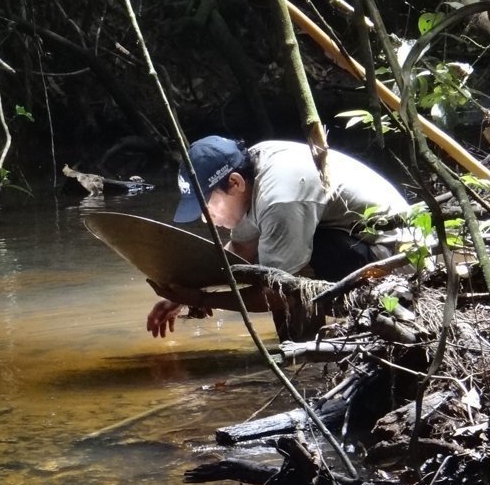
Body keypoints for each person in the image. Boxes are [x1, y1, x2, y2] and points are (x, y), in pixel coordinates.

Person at [146, 135, 409, 339]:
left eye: (208, 205)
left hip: (395, 264)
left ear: (235, 183)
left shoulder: (279, 199)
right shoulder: (252, 171)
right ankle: (299, 348)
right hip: (352, 243)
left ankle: (304, 355)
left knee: (289, 274)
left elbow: (278, 292)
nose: (206, 218)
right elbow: (240, 250)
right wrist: (184, 289)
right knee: (269, 255)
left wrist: (202, 300)